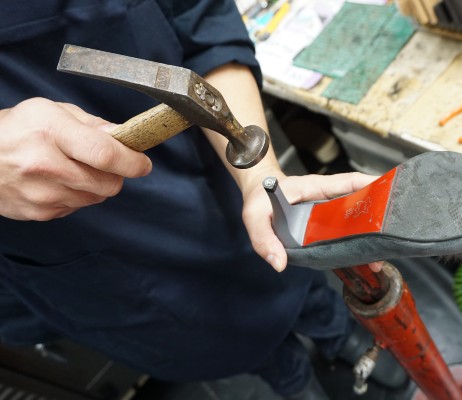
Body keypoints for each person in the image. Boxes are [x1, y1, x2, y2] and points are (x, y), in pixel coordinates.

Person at [0, 1, 400, 399]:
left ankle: (339, 334)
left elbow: (201, 21)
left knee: (285, 261)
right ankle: (292, 378)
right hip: (83, 245)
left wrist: (258, 176)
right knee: (218, 339)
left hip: (215, 171)